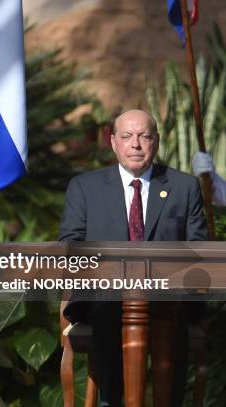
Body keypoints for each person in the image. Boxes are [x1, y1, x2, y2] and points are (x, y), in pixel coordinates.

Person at [59, 109, 208, 406]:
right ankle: (111, 401)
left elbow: (198, 250)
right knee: (108, 308)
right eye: (127, 137)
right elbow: (70, 246)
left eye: (144, 136)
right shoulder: (85, 187)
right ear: (113, 142)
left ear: (156, 141)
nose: (135, 144)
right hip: (104, 299)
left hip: (167, 300)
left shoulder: (184, 187)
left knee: (171, 314)